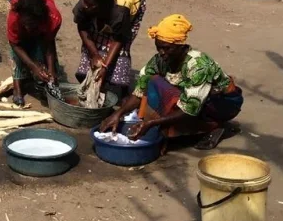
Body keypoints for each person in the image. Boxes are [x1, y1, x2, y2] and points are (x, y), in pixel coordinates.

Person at [100, 14, 243, 150]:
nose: (162, 53)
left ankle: (214, 126)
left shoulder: (198, 66)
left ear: (181, 46)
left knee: (173, 101)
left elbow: (189, 110)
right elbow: (139, 91)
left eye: (167, 48)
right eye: (159, 47)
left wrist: (151, 123)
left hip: (222, 103)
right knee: (153, 82)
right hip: (194, 99)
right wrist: (118, 114)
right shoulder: (159, 61)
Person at [73, 0, 146, 95]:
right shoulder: (85, 4)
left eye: (91, 5)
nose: (85, 6)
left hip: (131, 6)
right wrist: (95, 54)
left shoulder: (120, 12)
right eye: (84, 1)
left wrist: (105, 67)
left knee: (122, 50)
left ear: (104, 4)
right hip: (106, 7)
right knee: (93, 46)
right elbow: (83, 27)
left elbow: (119, 39)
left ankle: (122, 91)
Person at [6, 0, 65, 105]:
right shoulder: (15, 16)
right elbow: (14, 44)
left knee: (38, 48)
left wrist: (51, 70)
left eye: (31, 25)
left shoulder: (53, 18)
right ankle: (17, 86)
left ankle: (43, 85)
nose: (28, 28)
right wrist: (33, 66)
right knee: (20, 47)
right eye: (25, 24)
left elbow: (49, 43)